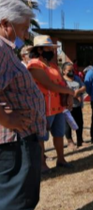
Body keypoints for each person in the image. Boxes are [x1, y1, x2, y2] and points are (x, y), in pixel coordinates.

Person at [0, 0, 46, 210]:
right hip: (13, 142)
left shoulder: (6, 50)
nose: (26, 35)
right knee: (15, 207)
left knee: (18, 202)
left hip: (19, 140)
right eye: (23, 29)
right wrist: (6, 118)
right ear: (5, 24)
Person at [27, 35, 75, 173]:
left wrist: (68, 95)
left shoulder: (53, 65)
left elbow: (62, 83)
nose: (52, 51)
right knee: (41, 138)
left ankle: (61, 159)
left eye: (52, 48)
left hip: (58, 107)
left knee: (59, 134)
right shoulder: (34, 65)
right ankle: (42, 164)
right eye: (49, 48)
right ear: (40, 50)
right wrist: (70, 92)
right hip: (42, 108)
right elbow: (49, 85)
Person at [62, 62, 87, 149]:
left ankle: (80, 140)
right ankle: (70, 141)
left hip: (77, 105)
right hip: (67, 107)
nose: (71, 72)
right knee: (68, 125)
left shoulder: (77, 78)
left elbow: (84, 87)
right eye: (69, 70)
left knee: (79, 123)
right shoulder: (62, 80)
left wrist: (78, 91)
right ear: (64, 71)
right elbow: (63, 91)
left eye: (72, 70)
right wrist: (75, 95)